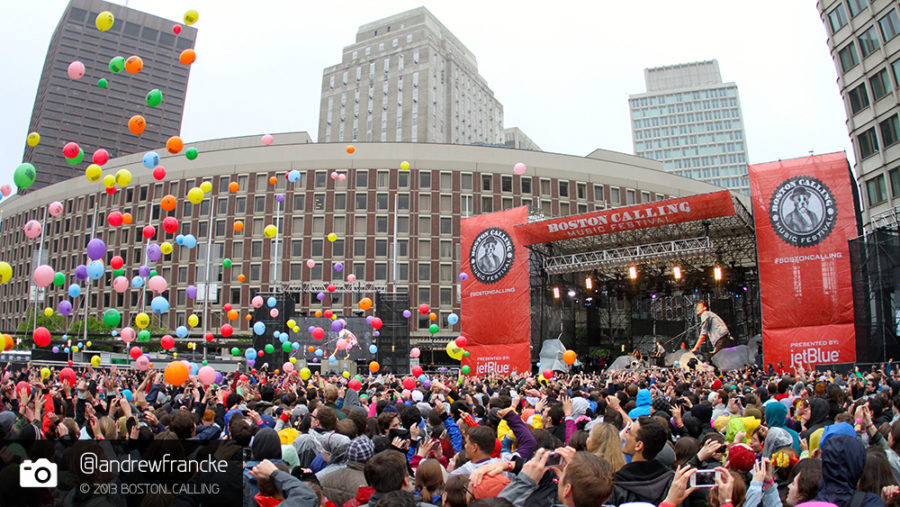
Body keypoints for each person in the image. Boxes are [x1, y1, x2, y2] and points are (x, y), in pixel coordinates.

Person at [609, 415, 675, 505]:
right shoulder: (671, 482)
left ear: (639, 445)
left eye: (629, 432)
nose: (625, 435)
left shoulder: (615, 484)